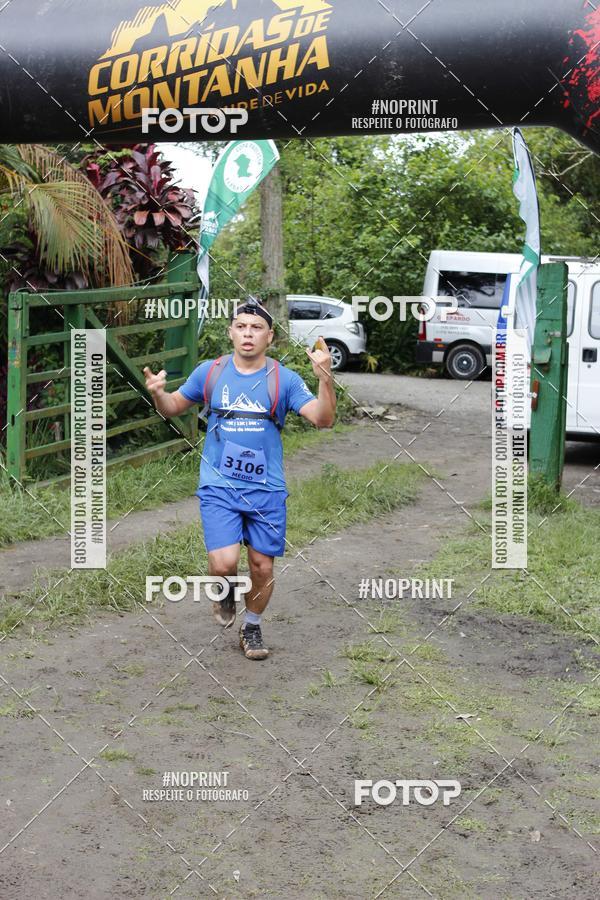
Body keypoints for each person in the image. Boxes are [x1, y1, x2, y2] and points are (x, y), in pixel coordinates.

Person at [143, 298, 336, 660]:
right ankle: (224, 591)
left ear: (270, 336)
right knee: (223, 564)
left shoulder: (284, 379)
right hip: (219, 485)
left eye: (256, 328)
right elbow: (172, 408)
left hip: (266, 489)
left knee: (262, 566)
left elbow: (323, 419)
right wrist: (158, 395)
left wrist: (325, 378)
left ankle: (252, 626)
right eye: (241, 327)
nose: (248, 334)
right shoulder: (210, 372)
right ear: (231, 332)